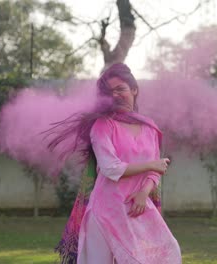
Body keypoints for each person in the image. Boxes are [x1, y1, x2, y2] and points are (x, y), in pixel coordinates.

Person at [50, 63, 181, 264]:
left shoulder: (150, 128)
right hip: (105, 211)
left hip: (136, 207)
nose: (116, 95)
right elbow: (110, 168)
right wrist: (150, 165)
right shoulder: (103, 125)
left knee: (169, 252)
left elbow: (154, 173)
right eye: (110, 92)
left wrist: (143, 193)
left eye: (121, 89)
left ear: (134, 89)